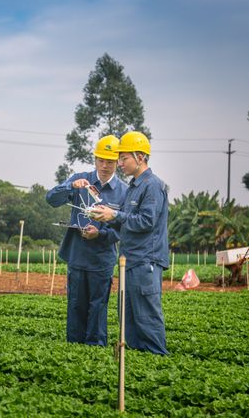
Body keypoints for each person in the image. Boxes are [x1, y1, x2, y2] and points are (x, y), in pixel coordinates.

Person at [90, 131, 169, 355]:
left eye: (123, 158)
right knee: (129, 322)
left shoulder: (152, 185)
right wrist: (105, 215)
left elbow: (146, 221)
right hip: (131, 261)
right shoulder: (135, 186)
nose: (119, 163)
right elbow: (126, 222)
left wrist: (114, 216)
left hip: (146, 262)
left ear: (140, 157)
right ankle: (137, 367)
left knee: (146, 318)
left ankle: (157, 361)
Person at [46, 135, 127, 346]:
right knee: (75, 306)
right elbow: (51, 199)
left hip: (102, 260)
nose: (105, 165)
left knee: (98, 307)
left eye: (110, 161)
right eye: (101, 160)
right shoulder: (80, 179)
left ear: (118, 161)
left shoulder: (124, 192)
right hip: (77, 256)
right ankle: (74, 350)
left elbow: (124, 229)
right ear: (95, 160)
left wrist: (99, 234)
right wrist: (71, 186)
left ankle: (95, 350)